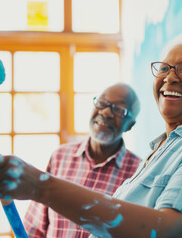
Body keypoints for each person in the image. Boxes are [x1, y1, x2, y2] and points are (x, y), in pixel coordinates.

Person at [0, 31, 182, 238]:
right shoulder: (157, 153)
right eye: (164, 68)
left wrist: (41, 187)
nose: (170, 77)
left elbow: (171, 231)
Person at [23, 83, 142, 237]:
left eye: (119, 109)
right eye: (102, 103)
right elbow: (34, 229)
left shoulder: (139, 172)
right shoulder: (60, 157)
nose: (106, 112)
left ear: (130, 125)